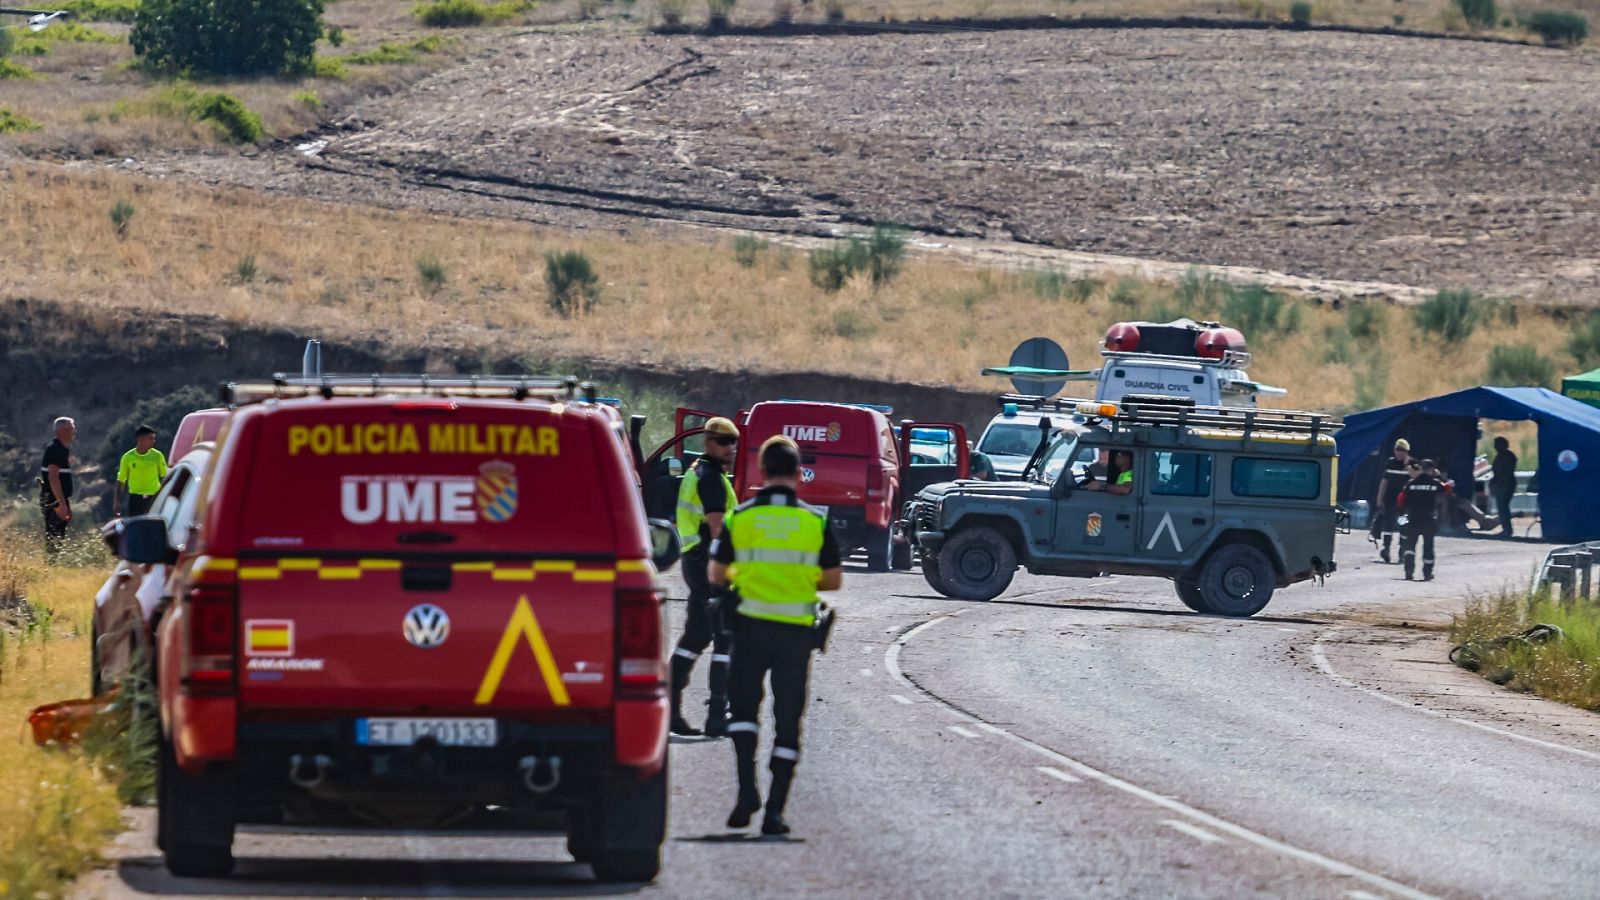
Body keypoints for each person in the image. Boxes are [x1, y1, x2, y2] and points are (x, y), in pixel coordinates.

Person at [711, 436, 843, 836]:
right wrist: (798, 578)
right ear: (798, 473)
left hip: (748, 630)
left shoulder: (741, 517)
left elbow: (716, 574)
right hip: (795, 637)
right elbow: (833, 581)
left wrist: (747, 576)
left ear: (763, 472)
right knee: (788, 722)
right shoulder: (815, 521)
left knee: (743, 714)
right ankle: (775, 813)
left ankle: (747, 791)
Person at [669, 417, 741, 737]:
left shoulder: (697, 470)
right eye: (725, 442)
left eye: (734, 442)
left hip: (695, 563)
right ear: (709, 442)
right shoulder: (710, 477)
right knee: (725, 638)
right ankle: (716, 716)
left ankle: (668, 709)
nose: (731, 448)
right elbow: (716, 529)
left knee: (696, 636)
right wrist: (722, 575)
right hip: (708, 565)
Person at [1396, 458, 1445, 581]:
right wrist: (1440, 477)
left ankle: (1408, 571)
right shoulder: (1435, 483)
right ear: (1432, 470)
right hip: (1429, 518)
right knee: (1428, 546)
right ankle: (1427, 573)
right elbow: (1448, 488)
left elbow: (1401, 499)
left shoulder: (1411, 483)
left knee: (1410, 546)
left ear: (1421, 469)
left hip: (1413, 518)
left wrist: (1401, 513)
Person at [39, 416, 77, 557]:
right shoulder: (55, 449)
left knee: (58, 536)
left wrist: (66, 504)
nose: (74, 432)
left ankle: (52, 565)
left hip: (58, 499)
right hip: (53, 499)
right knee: (54, 536)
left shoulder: (61, 449)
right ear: (62, 431)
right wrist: (61, 504)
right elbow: (53, 478)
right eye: (72, 429)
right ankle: (50, 567)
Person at [1370, 438, 1412, 563]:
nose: (1399, 452)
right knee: (1389, 523)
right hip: (1391, 499)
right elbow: (1384, 481)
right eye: (1397, 449)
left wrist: (1409, 467)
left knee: (1403, 524)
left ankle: (1402, 551)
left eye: (1402, 450)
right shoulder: (1390, 462)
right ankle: (1386, 549)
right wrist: (1379, 497)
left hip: (1405, 500)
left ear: (1407, 451)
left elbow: (1417, 477)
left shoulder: (1412, 463)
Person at [114, 425, 169, 518]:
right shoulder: (128, 457)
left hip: (153, 498)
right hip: (135, 499)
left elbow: (165, 476)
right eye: (151, 438)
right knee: (136, 526)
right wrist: (116, 501)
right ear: (141, 439)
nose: (154, 441)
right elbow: (121, 479)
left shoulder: (157, 456)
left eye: (154, 438)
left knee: (152, 525)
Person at [1490, 436, 1518, 539]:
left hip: (1505, 485)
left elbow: (1502, 472)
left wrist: (1496, 483)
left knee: (1503, 508)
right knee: (1502, 508)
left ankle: (1507, 530)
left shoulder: (1506, 456)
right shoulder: (1503, 456)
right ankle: (1506, 529)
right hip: (1504, 484)